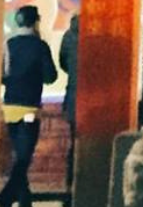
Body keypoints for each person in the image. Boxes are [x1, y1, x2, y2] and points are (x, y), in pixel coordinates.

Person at [0, 4, 58, 207]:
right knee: (23, 158)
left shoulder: (9, 44)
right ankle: (6, 196)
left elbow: (1, 75)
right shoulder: (40, 46)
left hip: (9, 108)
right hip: (30, 109)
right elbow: (51, 76)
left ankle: (25, 200)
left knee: (20, 156)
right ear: (36, 22)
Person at [59, 14, 80, 204]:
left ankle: (70, 182)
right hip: (95, 96)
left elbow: (63, 63)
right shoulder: (96, 35)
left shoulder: (68, 35)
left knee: (75, 142)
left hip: (73, 95)